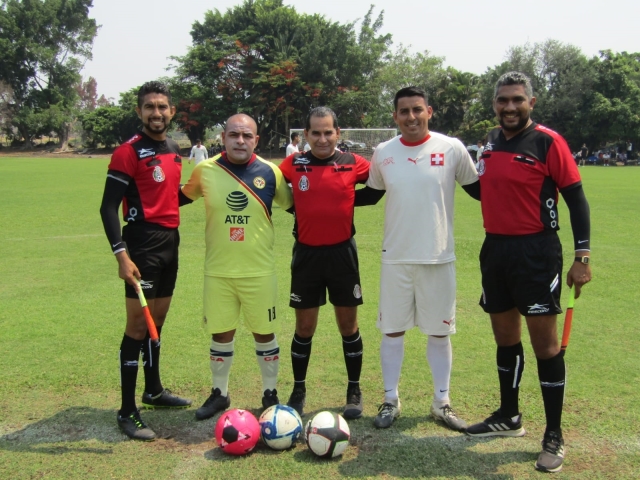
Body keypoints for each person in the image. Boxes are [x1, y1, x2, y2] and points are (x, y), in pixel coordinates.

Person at [465, 72, 592, 474]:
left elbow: (576, 199)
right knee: (505, 337)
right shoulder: (488, 140)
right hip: (495, 249)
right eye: (502, 100)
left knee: (545, 346)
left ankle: (554, 434)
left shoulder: (548, 141)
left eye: (517, 100)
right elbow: (486, 188)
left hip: (536, 251)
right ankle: (509, 415)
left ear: (530, 103)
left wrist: (582, 258)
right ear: (495, 104)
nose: (509, 107)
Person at [353, 86, 478, 432]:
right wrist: (324, 195)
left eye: (417, 110)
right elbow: (371, 196)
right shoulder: (383, 152)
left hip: (438, 258)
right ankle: (390, 400)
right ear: (394, 116)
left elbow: (481, 191)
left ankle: (442, 402)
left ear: (429, 111)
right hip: (396, 259)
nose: (411, 117)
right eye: (404, 111)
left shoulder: (451, 148)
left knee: (439, 334)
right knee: (392, 332)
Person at [181, 114, 294, 420]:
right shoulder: (205, 170)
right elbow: (176, 199)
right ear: (223, 137)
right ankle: (219, 393)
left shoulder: (271, 173)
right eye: (234, 135)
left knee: (265, 333)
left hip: (259, 271)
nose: (240, 141)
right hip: (218, 272)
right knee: (220, 334)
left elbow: (296, 206)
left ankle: (270, 392)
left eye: (247, 135)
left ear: (256, 140)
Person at [99, 81, 192, 441]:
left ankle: (153, 390)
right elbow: (108, 207)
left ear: (171, 112)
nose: (157, 113)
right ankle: (126, 410)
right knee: (138, 325)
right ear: (139, 112)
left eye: (162, 107)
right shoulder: (127, 152)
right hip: (141, 243)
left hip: (171, 241)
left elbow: (169, 196)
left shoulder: (174, 148)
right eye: (149, 107)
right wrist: (121, 255)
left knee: (159, 320)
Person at [278, 106, 370, 420]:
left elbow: (381, 183)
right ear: (305, 135)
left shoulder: (353, 163)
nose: (321, 138)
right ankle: (299, 389)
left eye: (327, 132)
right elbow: (275, 189)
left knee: (348, 325)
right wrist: (301, 213)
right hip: (306, 255)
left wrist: (347, 201)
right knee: (304, 327)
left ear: (337, 133)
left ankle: (354, 389)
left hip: (342, 254)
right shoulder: (293, 163)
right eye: (315, 133)